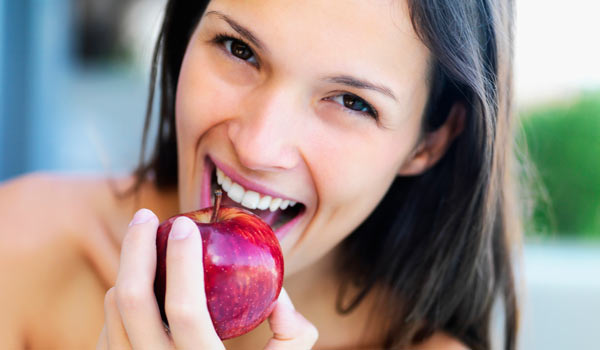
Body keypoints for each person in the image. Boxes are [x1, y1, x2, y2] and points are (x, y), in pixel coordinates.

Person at [0, 0, 520, 349]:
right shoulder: (22, 243)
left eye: (351, 102)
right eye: (238, 48)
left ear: (429, 141)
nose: (256, 147)